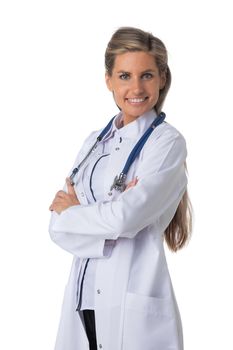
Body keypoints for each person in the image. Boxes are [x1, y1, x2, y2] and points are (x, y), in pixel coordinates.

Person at [49, 26, 192, 350]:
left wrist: (80, 214)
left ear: (162, 79)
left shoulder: (165, 142)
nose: (136, 87)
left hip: (131, 305)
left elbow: (126, 219)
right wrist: (102, 219)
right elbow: (58, 227)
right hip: (83, 300)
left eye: (147, 75)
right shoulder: (93, 143)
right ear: (109, 80)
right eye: (125, 75)